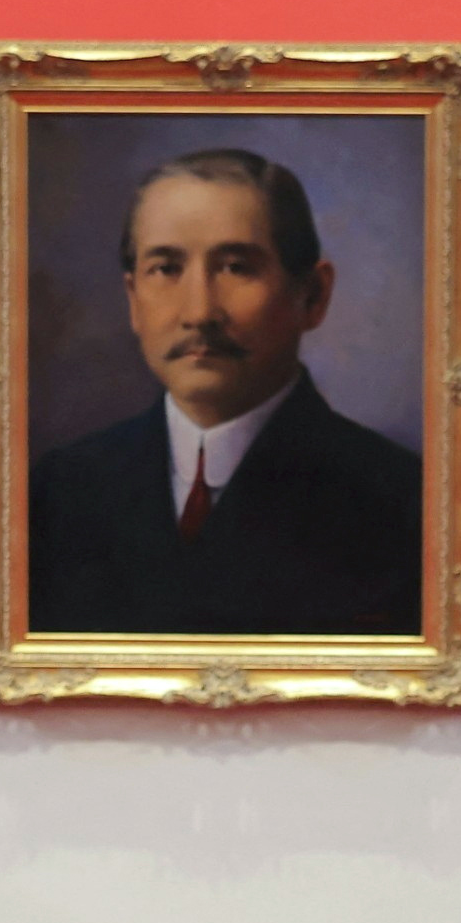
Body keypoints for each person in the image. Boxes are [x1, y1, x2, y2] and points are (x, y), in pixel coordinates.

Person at [28, 146, 423, 636]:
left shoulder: (401, 504)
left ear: (312, 296)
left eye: (236, 267)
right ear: (133, 299)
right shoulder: (59, 492)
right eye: (166, 269)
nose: (199, 311)